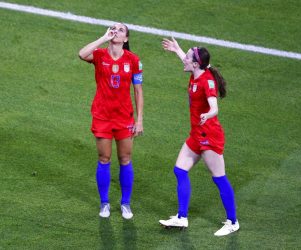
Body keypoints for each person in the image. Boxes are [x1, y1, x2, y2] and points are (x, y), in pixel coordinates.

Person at [159, 37, 239, 236]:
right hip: (196, 134)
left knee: (219, 178)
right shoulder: (196, 73)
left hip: (209, 136)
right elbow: (188, 63)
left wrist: (207, 114)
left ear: (195, 64)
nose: (183, 60)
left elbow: (214, 107)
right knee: (180, 170)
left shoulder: (207, 82)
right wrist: (177, 50)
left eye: (186, 57)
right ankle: (182, 217)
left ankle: (233, 221)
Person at [78, 23, 143, 219]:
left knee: (125, 159)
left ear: (126, 39)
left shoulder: (133, 60)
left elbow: (138, 91)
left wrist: (139, 120)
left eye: (120, 30)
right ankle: (104, 203)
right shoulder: (99, 55)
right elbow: (82, 54)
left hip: (124, 117)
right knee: (104, 158)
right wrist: (103, 38)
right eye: (112, 28)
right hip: (102, 117)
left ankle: (125, 203)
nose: (116, 31)